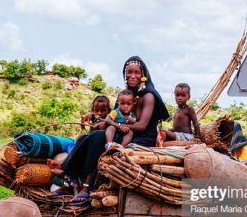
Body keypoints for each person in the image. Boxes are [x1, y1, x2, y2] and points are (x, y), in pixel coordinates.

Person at [60, 56, 169, 205]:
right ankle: (70, 177)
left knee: (99, 139)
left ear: (143, 74)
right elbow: (117, 116)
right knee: (91, 135)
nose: (132, 76)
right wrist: (105, 123)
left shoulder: (148, 95)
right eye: (128, 72)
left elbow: (142, 126)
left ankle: (87, 187)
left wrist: (114, 126)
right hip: (126, 132)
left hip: (141, 137)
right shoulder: (128, 94)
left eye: (136, 72)